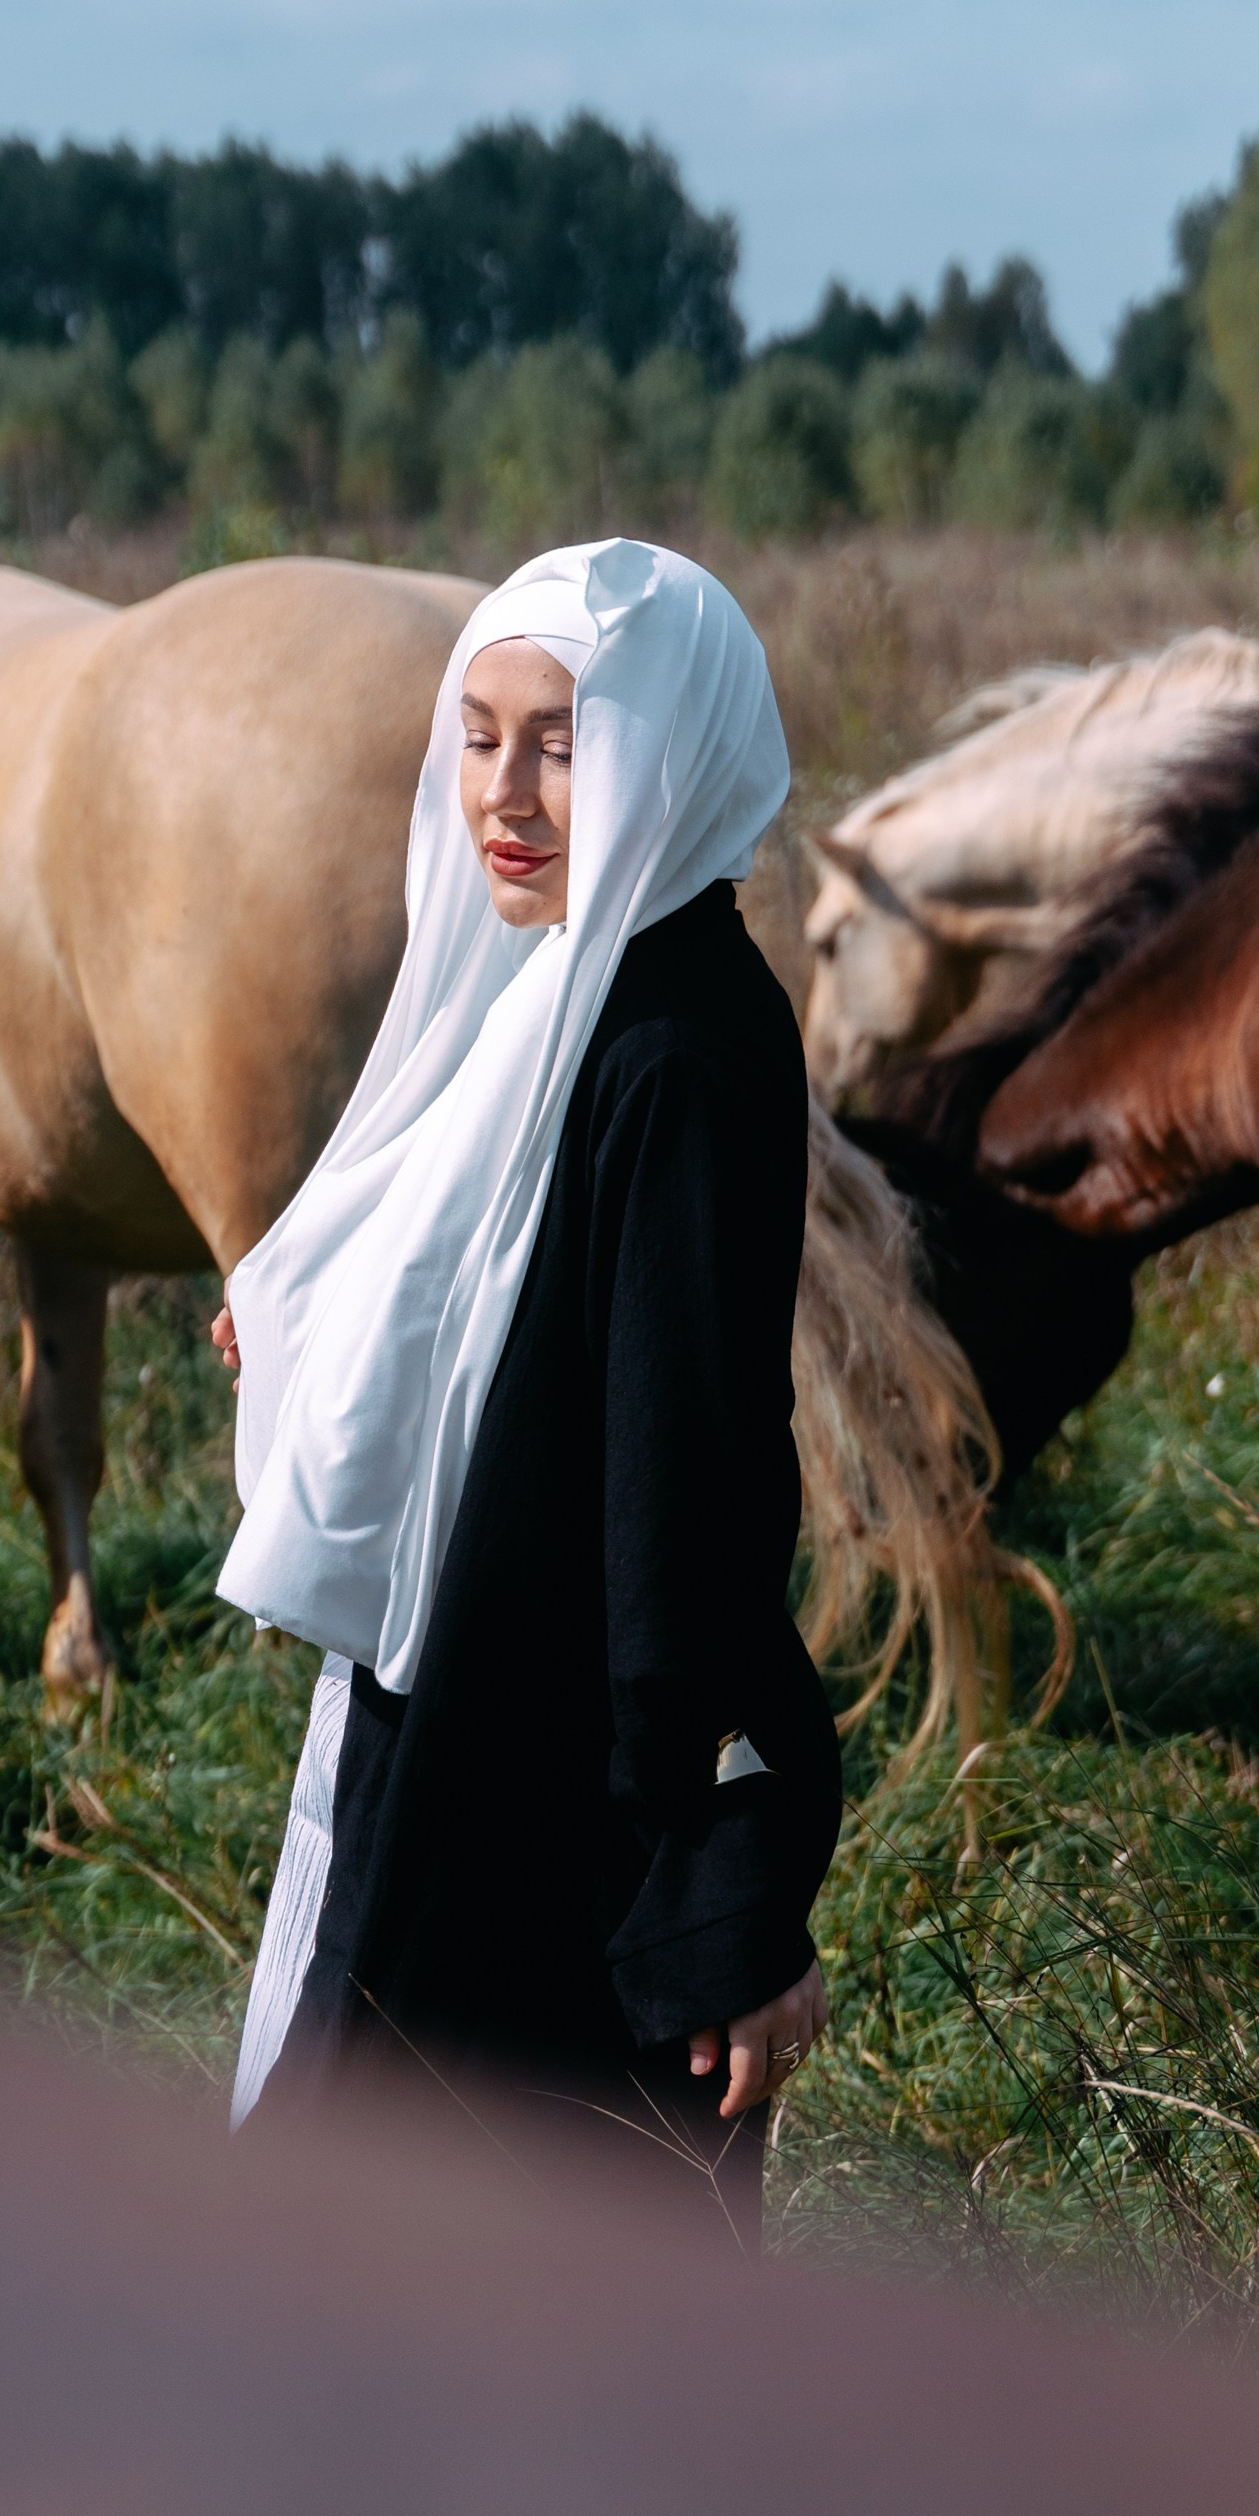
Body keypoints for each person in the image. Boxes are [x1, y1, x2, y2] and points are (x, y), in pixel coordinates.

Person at [214, 539, 838, 2239]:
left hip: (548, 1793)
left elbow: (685, 1486)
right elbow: (477, 1298)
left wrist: (719, 1907)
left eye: (561, 738)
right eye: (477, 733)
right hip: (455, 1730)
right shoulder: (566, 989)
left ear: (672, 745)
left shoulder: (683, 1050)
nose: (507, 790)